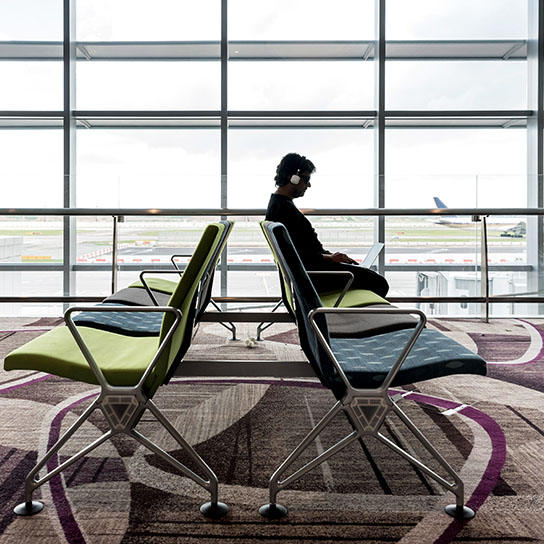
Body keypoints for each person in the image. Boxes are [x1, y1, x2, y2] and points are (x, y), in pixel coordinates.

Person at [265, 152, 389, 298]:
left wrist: (329, 256)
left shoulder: (279, 206)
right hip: (315, 276)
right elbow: (300, 256)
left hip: (313, 272)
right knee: (378, 283)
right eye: (306, 179)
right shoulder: (284, 210)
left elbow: (299, 251)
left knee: (368, 276)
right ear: (293, 178)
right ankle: (347, 317)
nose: (308, 185)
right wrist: (329, 258)